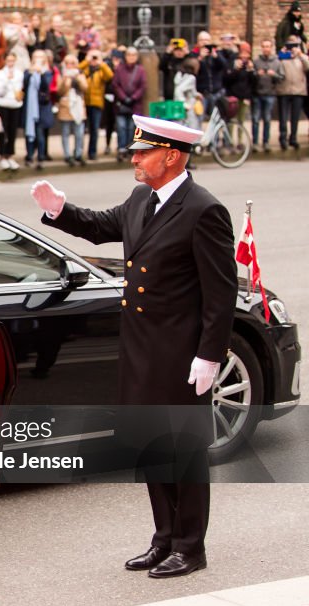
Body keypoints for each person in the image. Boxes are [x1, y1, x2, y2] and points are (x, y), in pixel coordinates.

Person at [30, 115, 237, 578]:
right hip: (142, 349)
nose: (135, 158)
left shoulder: (204, 209)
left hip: (181, 355)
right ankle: (163, 538)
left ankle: (190, 546)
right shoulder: (144, 196)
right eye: (135, 151)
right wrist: (60, 210)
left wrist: (210, 354)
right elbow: (104, 225)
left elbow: (220, 294)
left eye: (143, 152)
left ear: (172, 155)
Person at [112, 47, 147, 161]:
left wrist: (133, 97)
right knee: (121, 127)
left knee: (132, 127)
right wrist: (123, 97)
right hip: (121, 104)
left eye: (133, 55)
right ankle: (122, 148)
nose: (131, 57)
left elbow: (142, 86)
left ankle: (130, 148)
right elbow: (116, 85)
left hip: (135, 104)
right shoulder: (119, 69)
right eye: (129, 55)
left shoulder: (140, 70)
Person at [23, 50, 54, 168]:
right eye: (36, 57)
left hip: (42, 107)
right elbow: (24, 86)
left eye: (40, 57)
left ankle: (41, 156)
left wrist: (40, 73)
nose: (38, 59)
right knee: (29, 131)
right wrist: (31, 73)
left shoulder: (47, 73)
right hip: (30, 107)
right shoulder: (27, 72)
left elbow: (46, 87)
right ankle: (29, 155)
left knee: (40, 133)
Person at [80, 49, 113, 160]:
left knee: (94, 129)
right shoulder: (85, 68)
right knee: (81, 129)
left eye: (95, 57)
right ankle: (79, 152)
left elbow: (110, 76)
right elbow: (77, 71)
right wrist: (86, 61)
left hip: (97, 102)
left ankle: (92, 152)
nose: (93, 59)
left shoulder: (101, 70)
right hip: (84, 102)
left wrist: (101, 63)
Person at [277, 37, 309, 150]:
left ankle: (293, 138)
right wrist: (282, 53)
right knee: (283, 117)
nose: (292, 48)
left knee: (295, 117)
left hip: (299, 91)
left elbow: (308, 66)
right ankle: (282, 138)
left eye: (294, 45)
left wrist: (300, 54)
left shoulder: (302, 58)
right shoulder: (282, 58)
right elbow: (276, 66)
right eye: (290, 45)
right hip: (284, 90)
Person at [252, 40, 284, 151]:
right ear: (261, 48)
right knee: (255, 119)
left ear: (271, 48)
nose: (266, 49)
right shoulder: (256, 61)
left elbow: (281, 77)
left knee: (267, 119)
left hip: (270, 94)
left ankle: (266, 142)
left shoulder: (276, 62)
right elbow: (250, 77)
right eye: (264, 46)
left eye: (268, 46)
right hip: (257, 94)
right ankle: (255, 142)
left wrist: (273, 74)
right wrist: (256, 74)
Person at [0, 52, 23, 171]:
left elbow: (19, 89)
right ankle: (2, 155)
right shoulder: (0, 74)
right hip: (3, 104)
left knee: (12, 131)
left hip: (15, 104)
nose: (11, 63)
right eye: (8, 60)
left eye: (13, 60)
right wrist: (7, 81)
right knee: (3, 131)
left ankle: (10, 154)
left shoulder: (19, 74)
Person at [57, 54, 88, 166]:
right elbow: (59, 91)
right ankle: (67, 154)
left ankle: (78, 153)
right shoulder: (61, 74)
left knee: (79, 132)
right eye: (67, 63)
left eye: (72, 63)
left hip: (78, 106)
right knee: (65, 132)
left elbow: (85, 88)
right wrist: (66, 80)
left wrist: (78, 79)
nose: (70, 65)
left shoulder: (80, 74)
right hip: (66, 106)